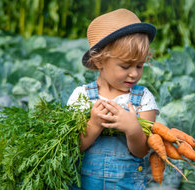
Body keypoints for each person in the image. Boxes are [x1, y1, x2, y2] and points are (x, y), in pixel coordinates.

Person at [66, 8, 159, 189]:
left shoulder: (143, 99)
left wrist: (132, 129)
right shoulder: (82, 96)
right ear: (99, 61)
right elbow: (73, 147)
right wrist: (93, 124)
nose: (134, 74)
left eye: (139, 66)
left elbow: (142, 151)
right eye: (125, 66)